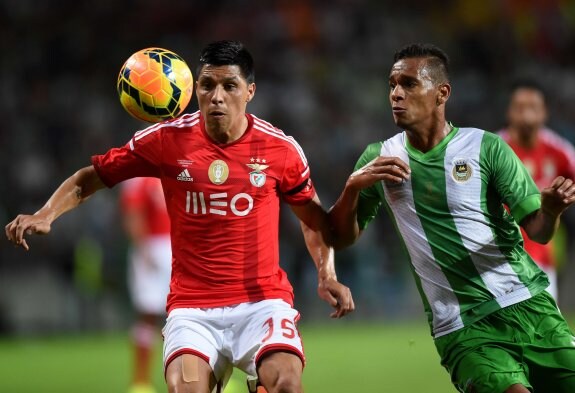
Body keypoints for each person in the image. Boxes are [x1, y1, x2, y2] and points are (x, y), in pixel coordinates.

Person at [5, 40, 354, 393]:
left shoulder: (281, 149)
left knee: (287, 386)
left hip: (262, 303)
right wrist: (46, 213)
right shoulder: (165, 140)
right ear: (195, 89)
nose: (217, 96)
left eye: (229, 86)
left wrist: (327, 275)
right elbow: (89, 178)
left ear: (249, 91)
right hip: (193, 308)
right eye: (207, 85)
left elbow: (311, 218)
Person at [328, 43, 575, 393]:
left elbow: (539, 231)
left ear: (442, 93)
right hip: (463, 326)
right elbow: (340, 237)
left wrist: (550, 209)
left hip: (528, 303)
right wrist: (352, 188)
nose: (396, 94)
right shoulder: (380, 157)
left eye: (409, 84)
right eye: (392, 84)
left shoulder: (486, 148)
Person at [498, 79, 575, 300]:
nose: (526, 115)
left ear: (544, 113)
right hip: (500, 257)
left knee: (548, 329)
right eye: (520, 108)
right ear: (509, 112)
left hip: (542, 254)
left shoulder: (560, 151)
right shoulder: (493, 149)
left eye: (532, 108)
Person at [120, 177, 171, 393]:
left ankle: (208, 378)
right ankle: (141, 382)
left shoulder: (177, 166)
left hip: (181, 245)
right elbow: (132, 213)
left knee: (193, 313)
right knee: (147, 314)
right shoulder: (138, 178)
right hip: (152, 248)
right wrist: (142, 247)